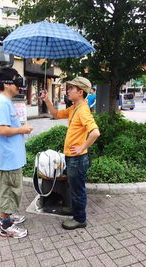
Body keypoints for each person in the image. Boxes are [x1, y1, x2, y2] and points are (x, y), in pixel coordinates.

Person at [41, 77, 100, 230]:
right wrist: (47, 99)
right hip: (72, 157)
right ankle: (75, 209)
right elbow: (55, 114)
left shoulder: (83, 111)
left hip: (78, 158)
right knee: (73, 186)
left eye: (71, 88)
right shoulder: (74, 108)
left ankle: (80, 219)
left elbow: (95, 132)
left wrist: (82, 147)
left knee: (78, 189)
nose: (68, 90)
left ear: (80, 92)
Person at [0, 67, 33, 238]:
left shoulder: (6, 101)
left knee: (13, 188)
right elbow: (2, 130)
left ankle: (9, 214)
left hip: (12, 155)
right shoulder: (1, 103)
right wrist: (22, 129)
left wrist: (20, 129)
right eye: (16, 81)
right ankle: (5, 225)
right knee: (10, 189)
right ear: (7, 84)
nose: (19, 86)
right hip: (9, 157)